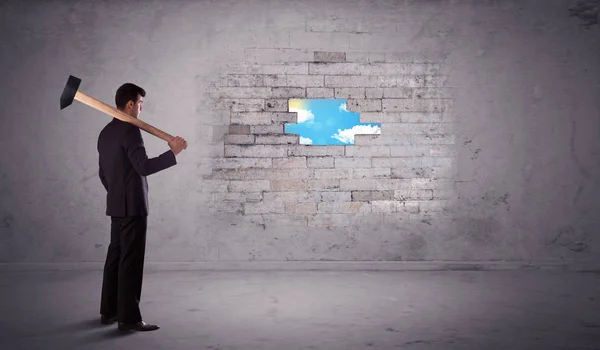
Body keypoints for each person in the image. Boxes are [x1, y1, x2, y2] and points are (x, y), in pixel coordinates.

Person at [97, 83, 187, 332]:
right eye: (140, 104)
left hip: (115, 205)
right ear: (130, 105)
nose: (141, 109)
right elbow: (144, 167)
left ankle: (109, 311)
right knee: (131, 262)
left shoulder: (105, 133)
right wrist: (173, 153)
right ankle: (129, 319)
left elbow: (103, 173)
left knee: (115, 257)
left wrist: (116, 193)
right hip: (134, 207)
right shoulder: (130, 131)